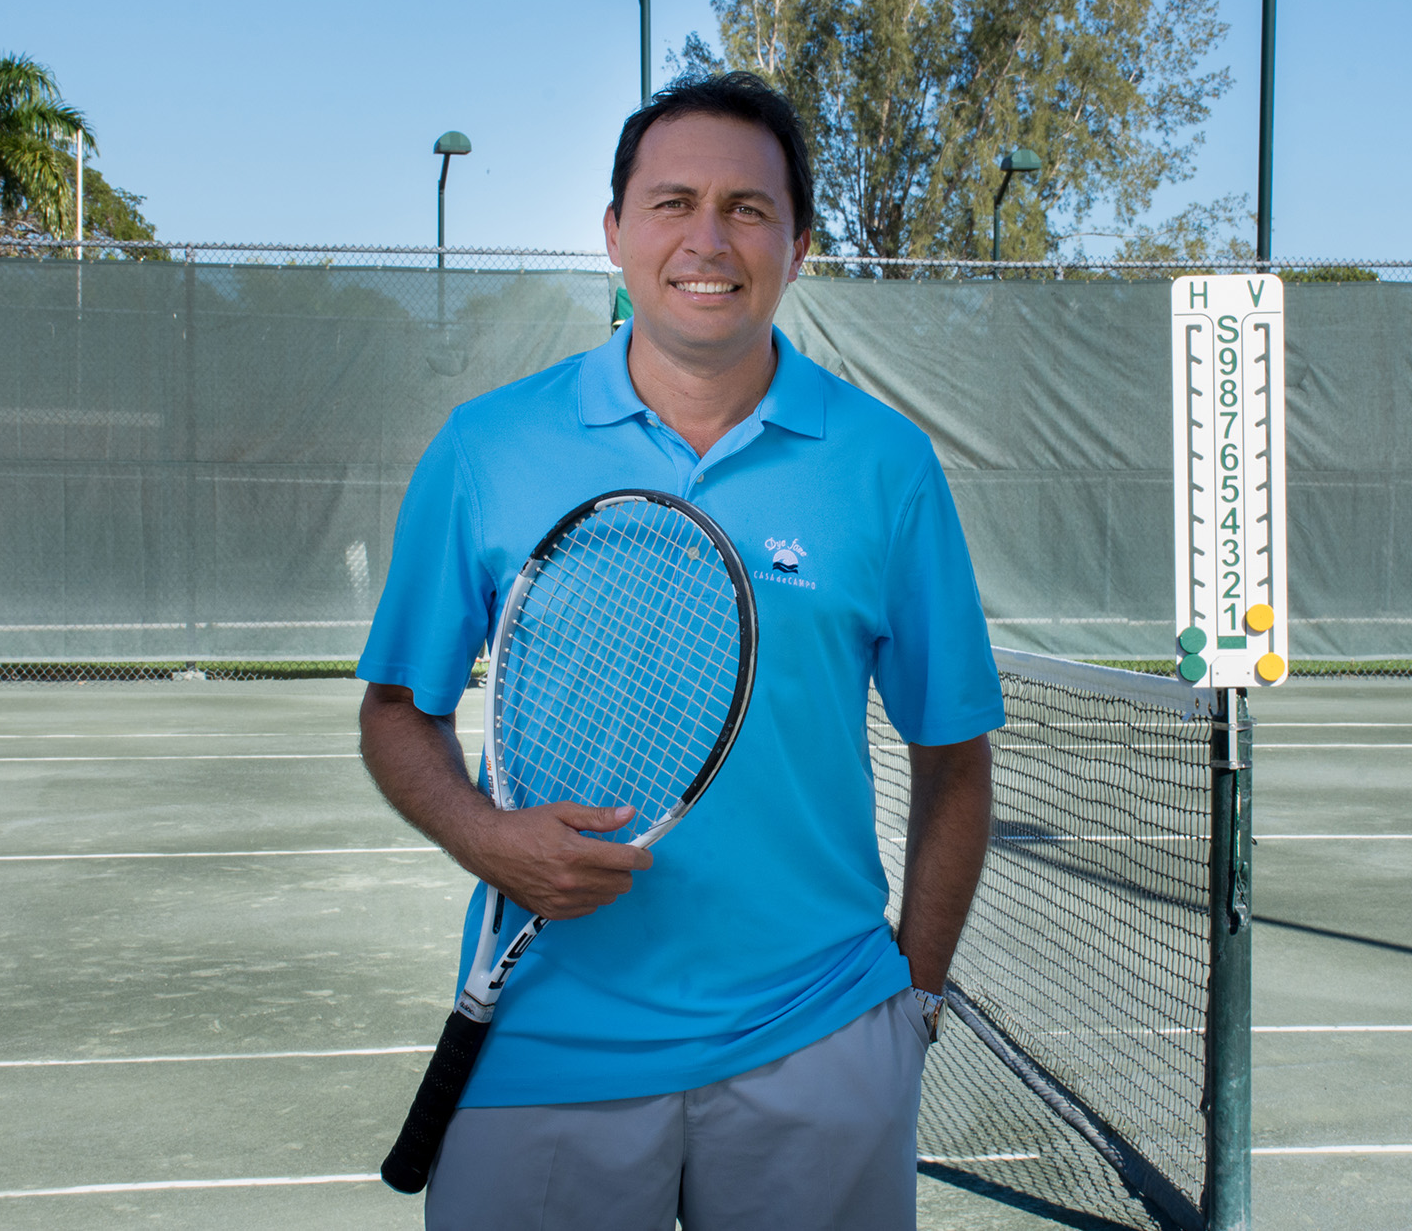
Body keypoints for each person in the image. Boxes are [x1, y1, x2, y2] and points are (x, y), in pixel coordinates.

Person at [356, 71, 1003, 1231]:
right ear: (614, 232)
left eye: (747, 208)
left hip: (821, 1037)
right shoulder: (485, 447)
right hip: (544, 1040)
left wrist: (910, 1002)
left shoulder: (885, 465)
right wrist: (485, 836)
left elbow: (954, 757)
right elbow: (396, 710)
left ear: (797, 244)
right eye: (671, 202)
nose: (707, 239)